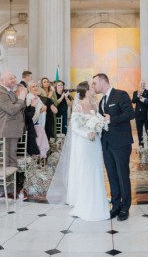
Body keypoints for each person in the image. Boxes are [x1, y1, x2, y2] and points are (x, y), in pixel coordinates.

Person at [47, 81, 110, 221]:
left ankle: (98, 203)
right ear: (86, 91)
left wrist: (98, 128)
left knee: (96, 171)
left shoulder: (95, 105)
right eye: (91, 87)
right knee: (85, 171)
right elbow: (74, 127)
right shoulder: (79, 107)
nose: (94, 88)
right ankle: (85, 204)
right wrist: (86, 134)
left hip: (95, 144)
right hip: (84, 143)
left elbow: (98, 121)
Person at [93, 73, 135, 221]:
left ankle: (125, 207)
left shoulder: (120, 94)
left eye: (95, 83)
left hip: (121, 143)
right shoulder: (102, 101)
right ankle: (115, 206)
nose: (94, 86)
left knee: (122, 175)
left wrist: (112, 119)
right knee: (111, 175)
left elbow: (130, 113)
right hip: (107, 144)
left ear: (103, 82)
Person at [0, 71, 28, 199]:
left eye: (14, 77)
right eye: (11, 78)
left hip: (12, 130)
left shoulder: (9, 92)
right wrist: (22, 98)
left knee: (11, 161)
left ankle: (10, 189)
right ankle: (4, 191)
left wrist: (20, 99)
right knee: (6, 162)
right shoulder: (1, 93)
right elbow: (12, 110)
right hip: (5, 131)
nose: (14, 79)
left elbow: (19, 108)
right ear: (2, 80)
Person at [25, 81, 50, 157]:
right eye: (33, 86)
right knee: (38, 140)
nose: (36, 87)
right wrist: (43, 108)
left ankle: (39, 155)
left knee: (40, 139)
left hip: (38, 121)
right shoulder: (29, 97)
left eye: (36, 86)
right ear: (29, 89)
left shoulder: (37, 97)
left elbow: (44, 107)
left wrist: (44, 107)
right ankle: (38, 155)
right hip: (33, 122)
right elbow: (32, 110)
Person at [132, 80, 148, 147]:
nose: (142, 85)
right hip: (138, 115)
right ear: (139, 84)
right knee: (139, 131)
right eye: (141, 83)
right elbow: (133, 101)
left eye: (144, 83)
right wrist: (138, 95)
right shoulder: (135, 92)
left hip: (146, 114)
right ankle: (141, 145)